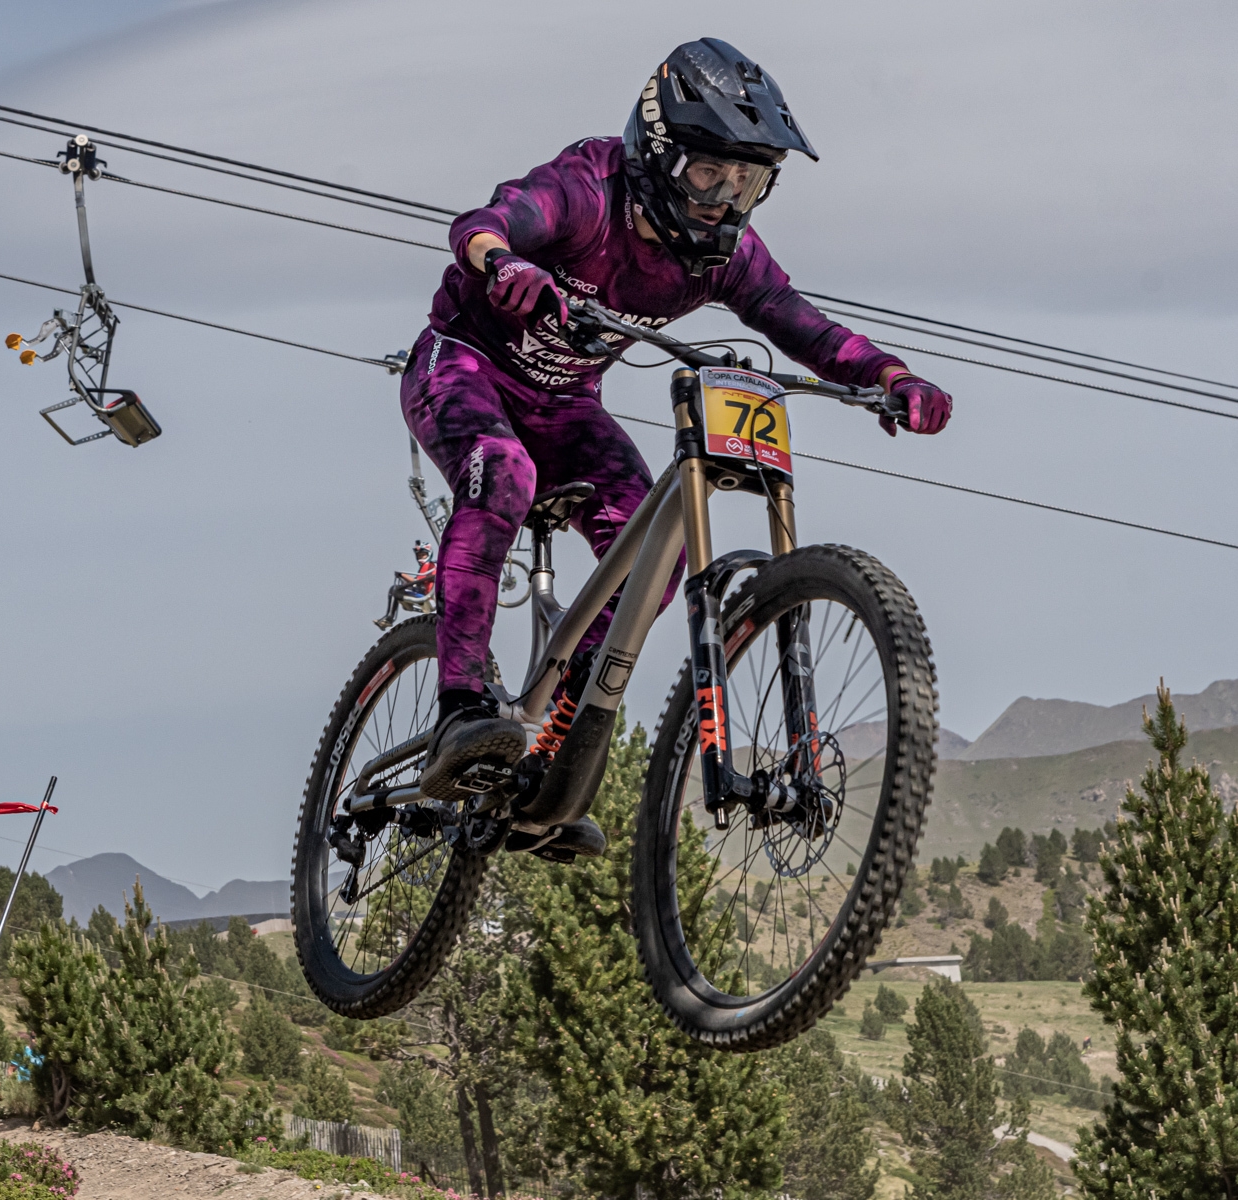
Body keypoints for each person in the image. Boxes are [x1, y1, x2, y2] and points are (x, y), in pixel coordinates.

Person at [402, 38, 952, 821]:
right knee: (504, 473)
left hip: (566, 408)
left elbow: (808, 329)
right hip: (461, 366)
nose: (724, 198)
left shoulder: (724, 255)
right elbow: (484, 223)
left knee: (661, 557)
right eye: (707, 173)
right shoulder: (589, 189)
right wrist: (506, 266)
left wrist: (892, 377)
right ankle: (460, 706)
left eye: (748, 180)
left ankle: (552, 755)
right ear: (658, 154)